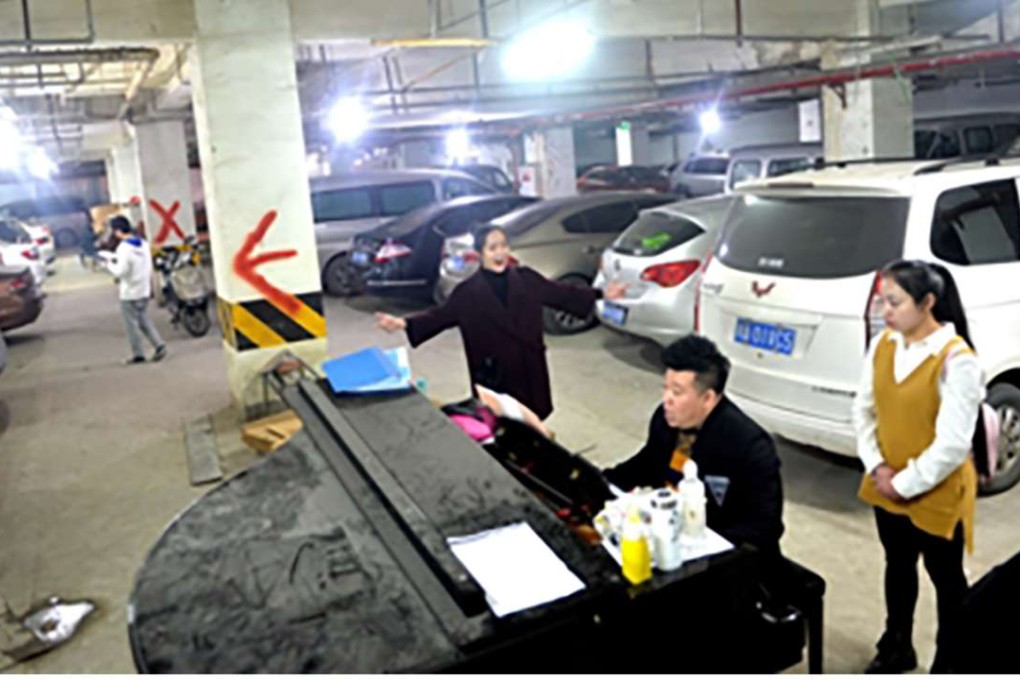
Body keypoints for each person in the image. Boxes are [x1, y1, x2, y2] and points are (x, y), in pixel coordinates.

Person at [852, 259, 983, 674]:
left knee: (946, 577)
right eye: (882, 301)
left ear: (927, 303)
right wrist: (877, 467)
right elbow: (863, 410)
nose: (885, 312)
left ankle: (954, 661)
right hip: (885, 479)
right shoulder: (883, 345)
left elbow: (952, 445)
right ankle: (897, 644)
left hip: (936, 488)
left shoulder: (956, 360)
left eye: (895, 302)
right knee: (898, 563)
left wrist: (904, 483)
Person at [376, 224, 624, 419]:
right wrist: (404, 323)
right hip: (494, 374)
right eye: (493, 248)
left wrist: (601, 293)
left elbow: (562, 294)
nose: (500, 253)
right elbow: (440, 316)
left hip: (529, 367)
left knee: (533, 423)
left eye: (504, 246)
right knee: (502, 425)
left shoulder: (526, 279)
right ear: (480, 254)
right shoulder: (468, 292)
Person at [603, 334, 785, 579]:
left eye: (677, 392)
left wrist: (696, 549)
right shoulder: (665, 421)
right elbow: (647, 463)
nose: (666, 400)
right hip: (669, 535)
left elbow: (762, 528)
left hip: (728, 563)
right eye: (665, 388)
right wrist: (602, 482)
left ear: (708, 398)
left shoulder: (749, 447)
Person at [101, 216, 166, 365]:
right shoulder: (143, 244)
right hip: (144, 289)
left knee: (131, 325)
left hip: (129, 292)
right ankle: (159, 345)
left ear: (118, 231)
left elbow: (121, 272)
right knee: (143, 319)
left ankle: (138, 354)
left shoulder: (124, 248)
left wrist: (108, 264)